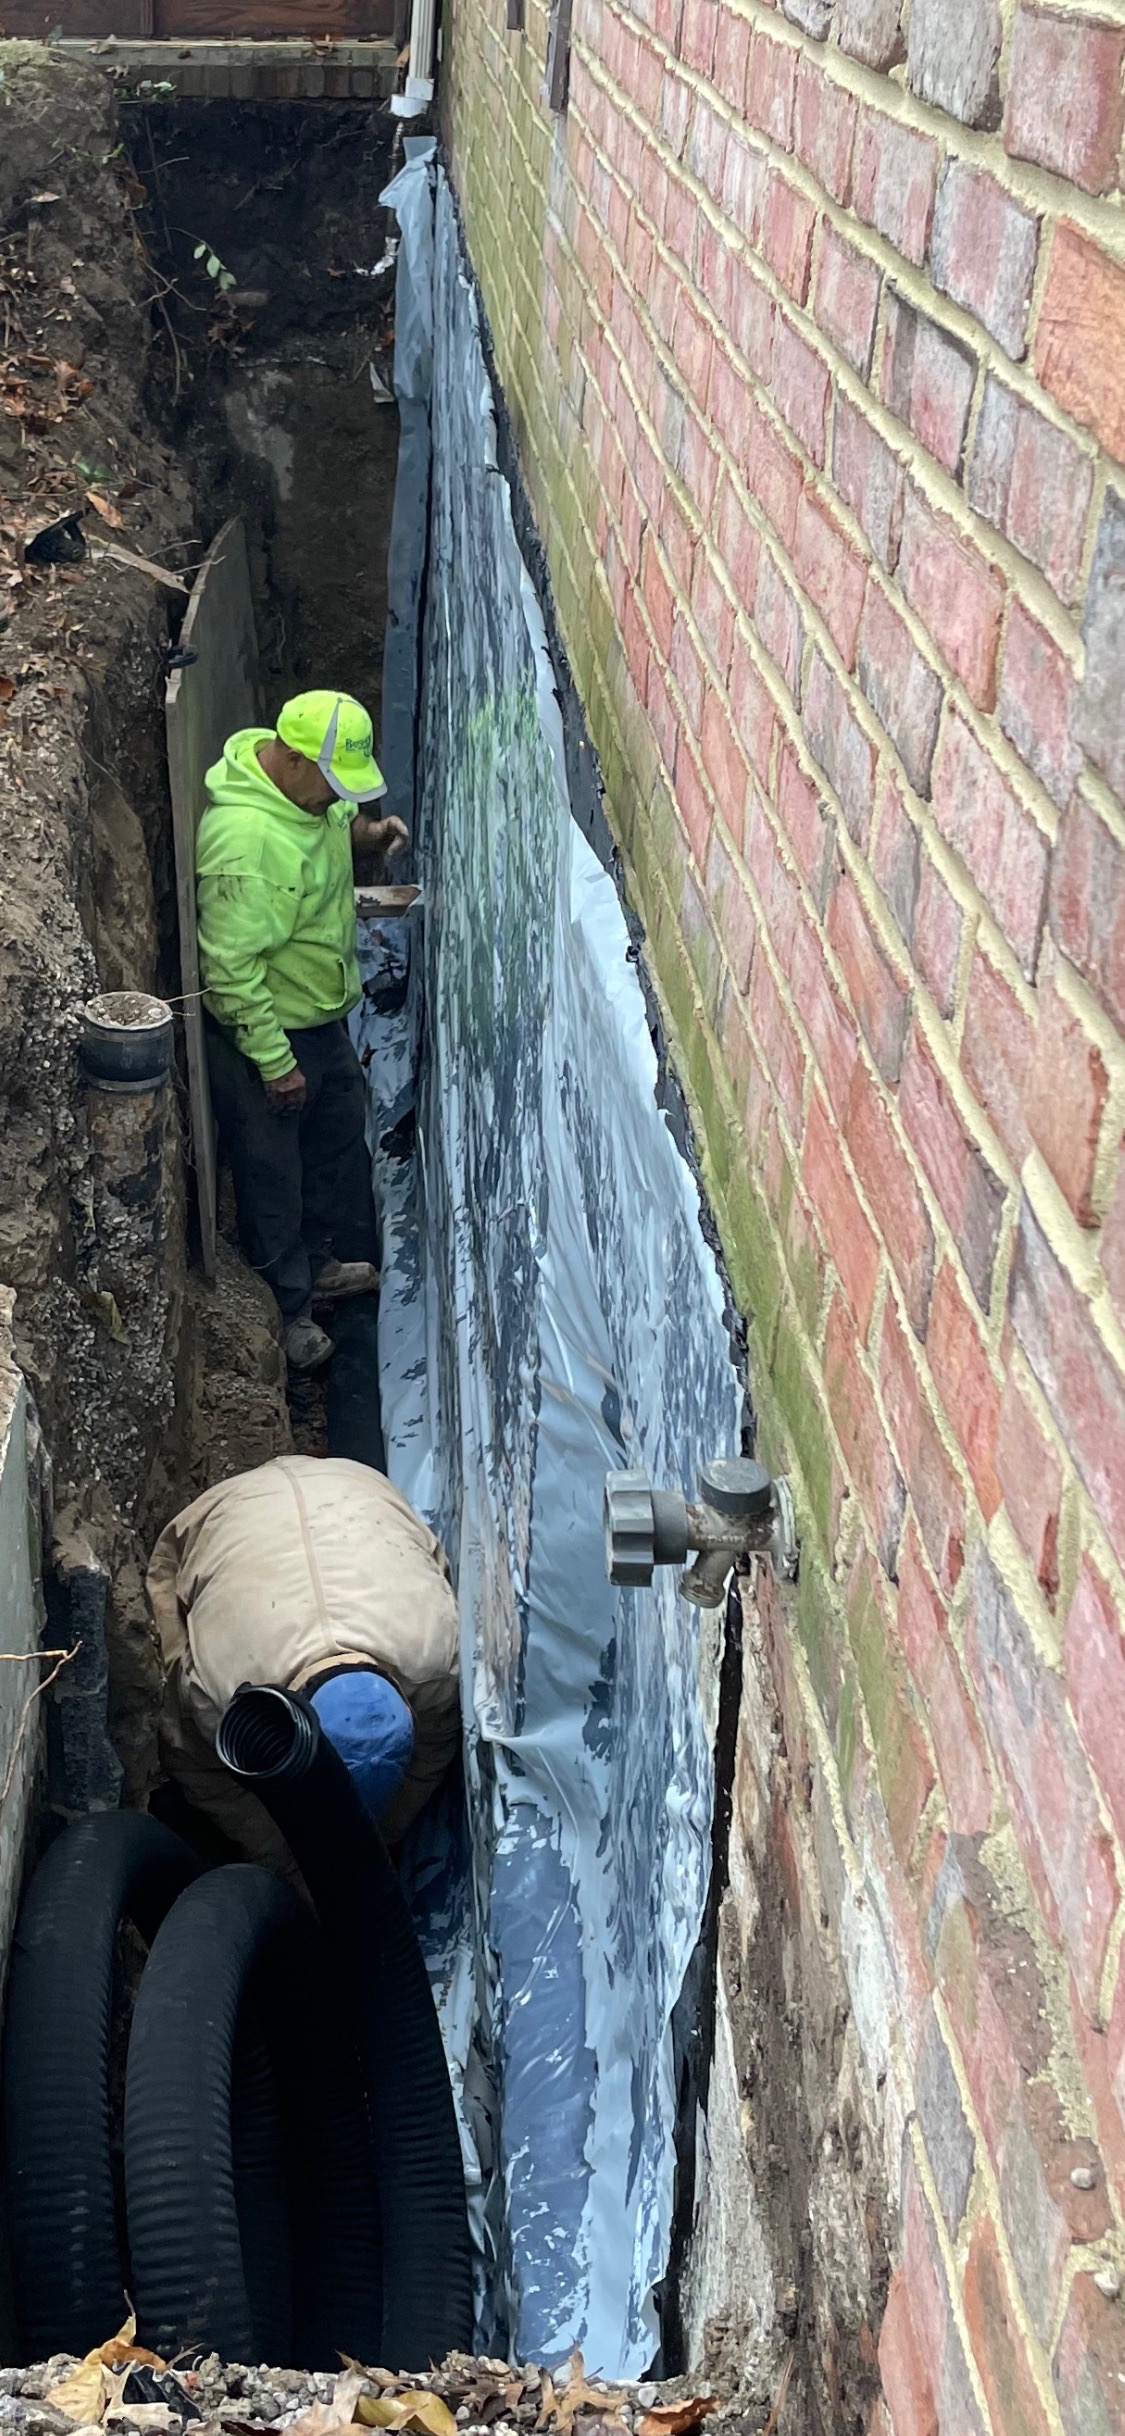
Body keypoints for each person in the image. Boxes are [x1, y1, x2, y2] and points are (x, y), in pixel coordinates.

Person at [196, 689, 407, 1373]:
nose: (334, 797)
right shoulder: (244, 844)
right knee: (271, 1173)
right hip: (270, 1034)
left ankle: (316, 1266)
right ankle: (284, 1310)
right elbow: (229, 970)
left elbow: (330, 817)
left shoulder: (303, 796)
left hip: (320, 1018)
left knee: (333, 1148)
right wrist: (273, 1060)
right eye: (329, 783)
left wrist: (366, 835)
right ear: (290, 761)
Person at [146, 1454, 462, 1887]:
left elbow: (430, 1755)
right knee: (167, 1666)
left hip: (360, 1488)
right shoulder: (226, 1699)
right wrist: (286, 1864)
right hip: (223, 1512)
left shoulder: (436, 1668)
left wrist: (375, 1841)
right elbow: (206, 1774)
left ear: (409, 1707)